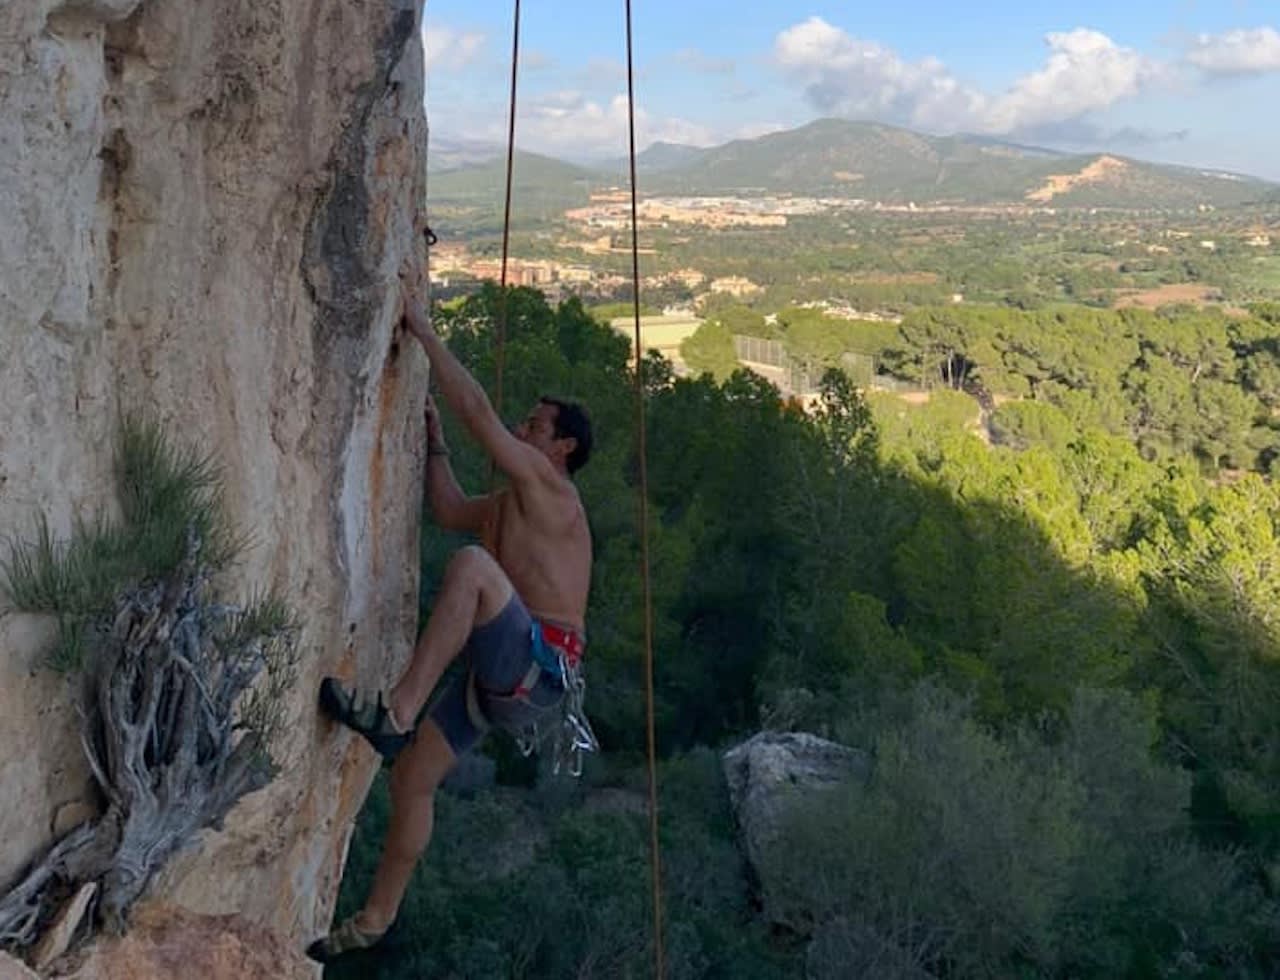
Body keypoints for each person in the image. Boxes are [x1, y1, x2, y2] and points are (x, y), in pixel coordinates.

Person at [306, 278, 594, 963]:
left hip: (534, 666)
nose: (525, 428)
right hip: (510, 680)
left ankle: (395, 714)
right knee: (412, 781)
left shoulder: (552, 491)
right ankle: (375, 918)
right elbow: (449, 508)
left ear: (563, 451)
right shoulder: (512, 504)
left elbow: (483, 417)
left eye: (537, 425)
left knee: (470, 568)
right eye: (529, 421)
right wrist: (433, 443)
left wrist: (426, 334)